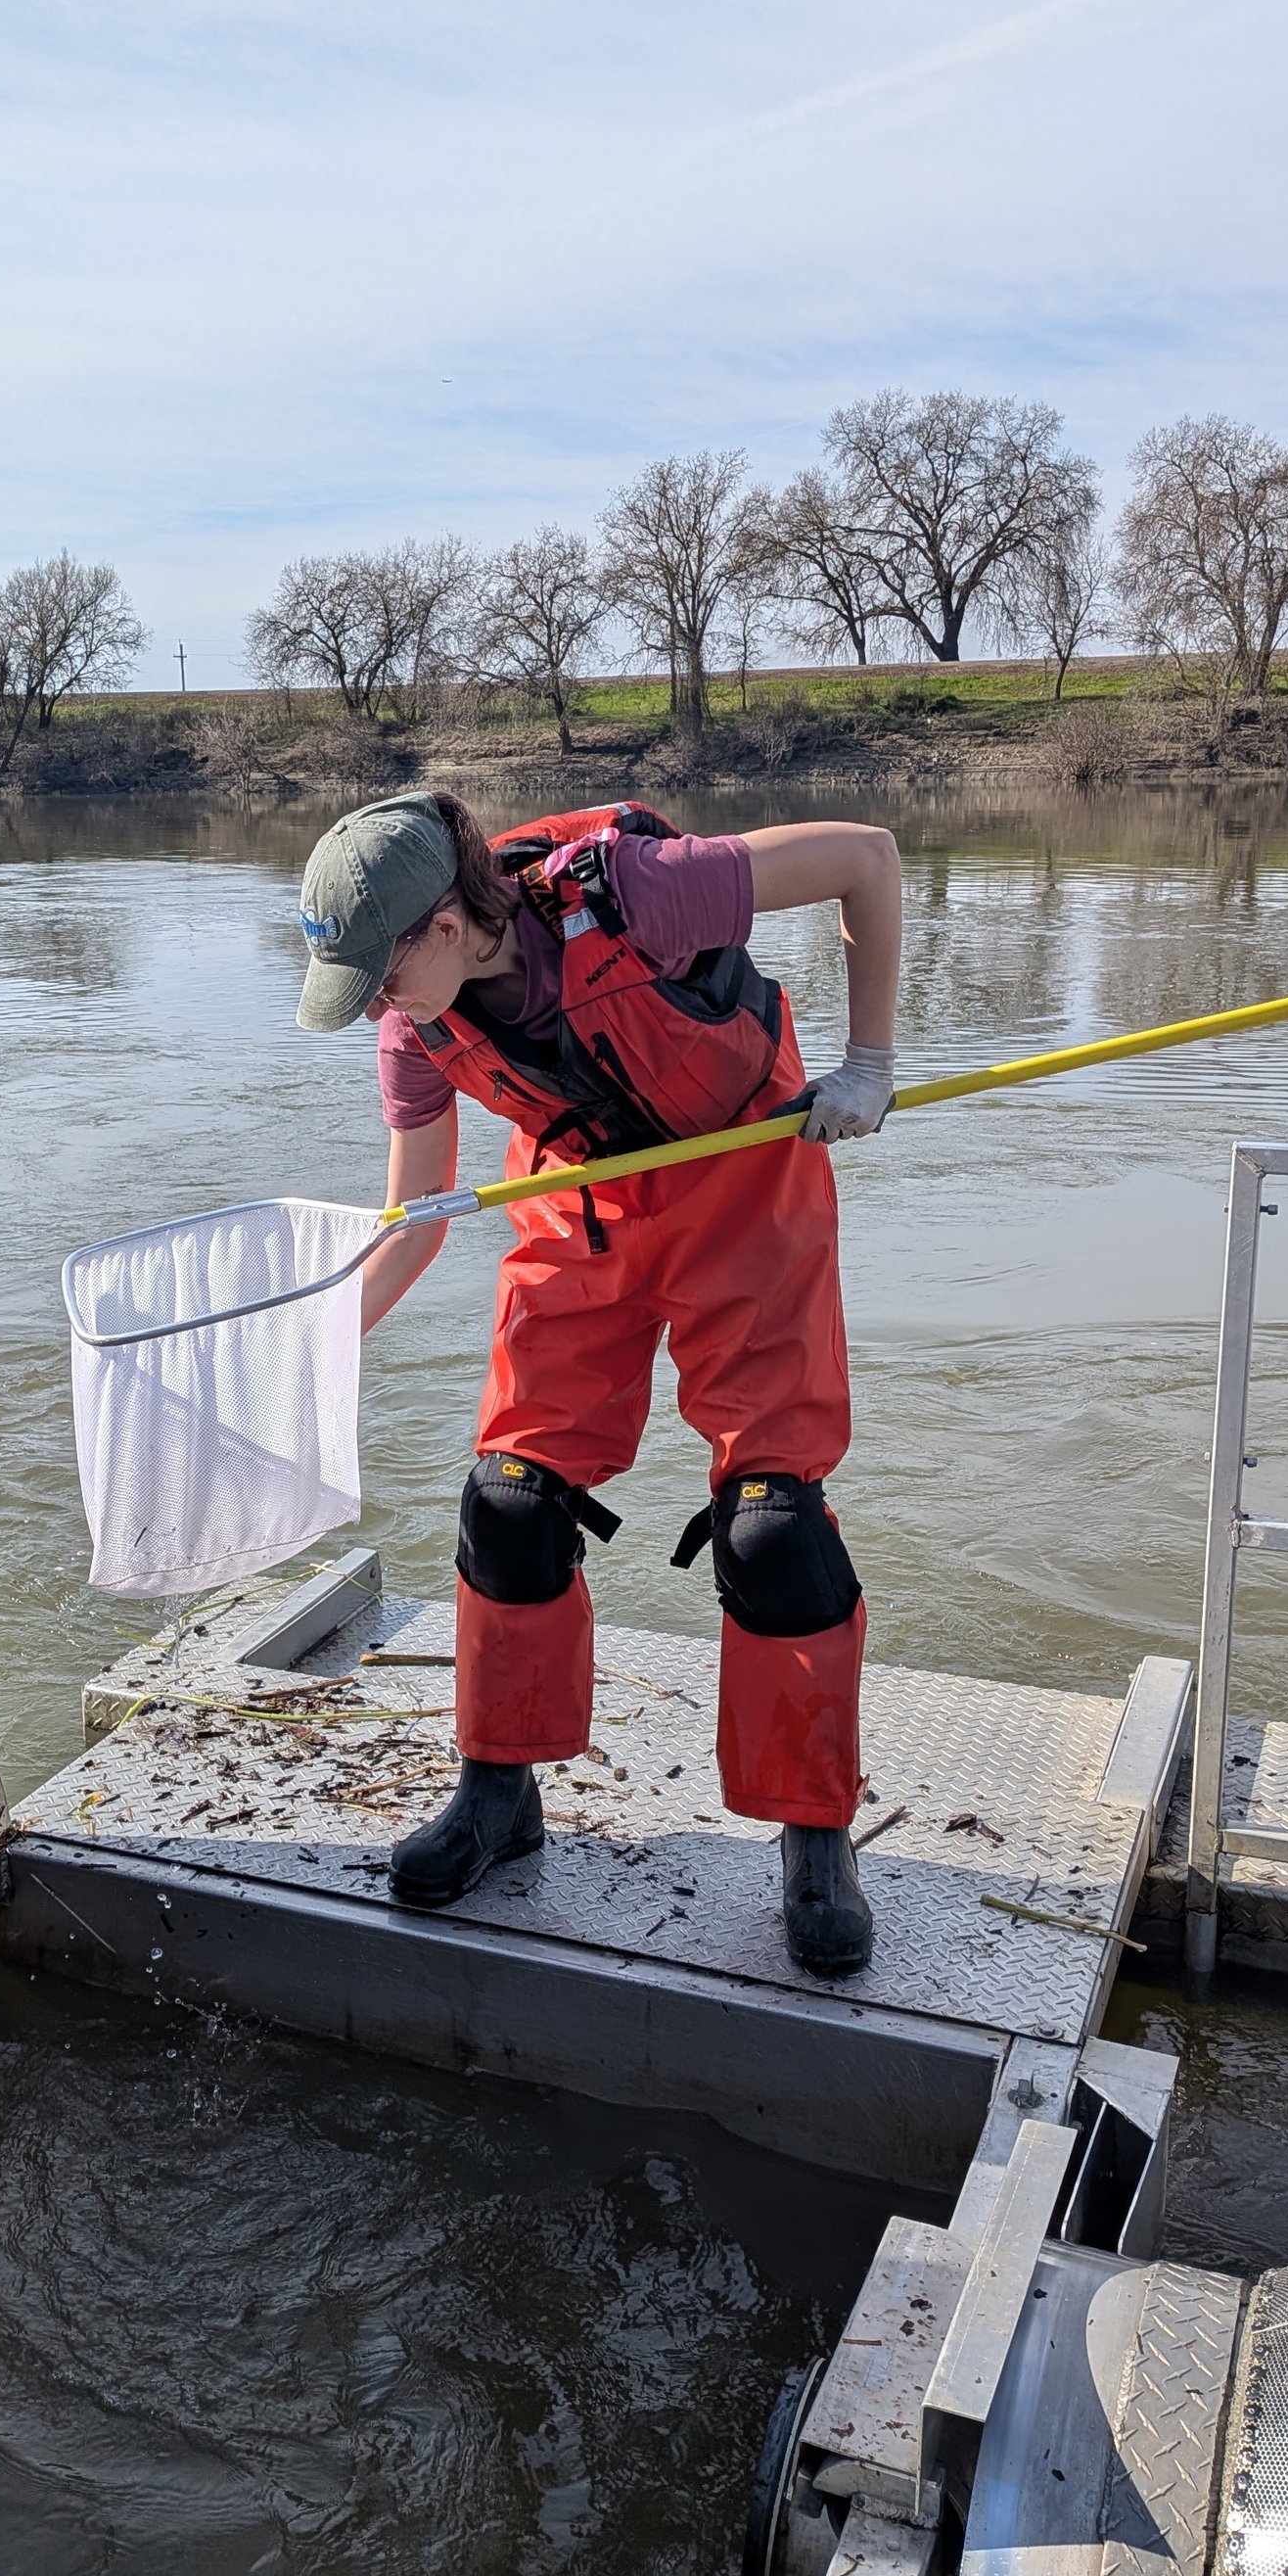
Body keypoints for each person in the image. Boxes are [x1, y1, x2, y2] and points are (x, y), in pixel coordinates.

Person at [294, 790, 900, 1977]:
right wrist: (314, 1347)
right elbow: (414, 1217)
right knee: (507, 1503)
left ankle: (814, 1837)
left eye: (380, 975)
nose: (373, 1005)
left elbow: (866, 860)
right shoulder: (414, 1031)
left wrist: (868, 1062)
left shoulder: (640, 893)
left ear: (448, 924)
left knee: (773, 1528)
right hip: (580, 1207)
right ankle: (497, 1794)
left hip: (745, 1184)